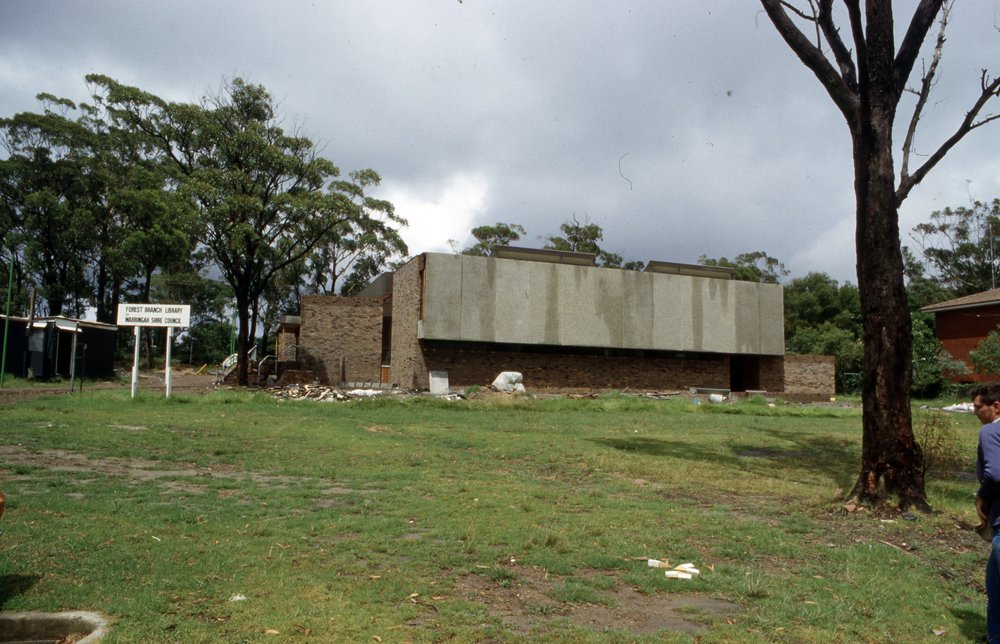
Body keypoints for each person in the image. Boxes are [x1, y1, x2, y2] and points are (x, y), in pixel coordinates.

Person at [974, 383, 1000, 642]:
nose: (975, 413)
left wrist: (982, 497)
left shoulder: (991, 431)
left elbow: (995, 474)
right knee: (994, 584)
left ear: (996, 407)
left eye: (977, 407)